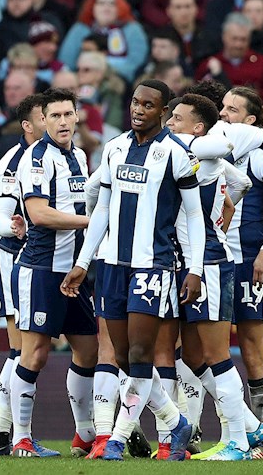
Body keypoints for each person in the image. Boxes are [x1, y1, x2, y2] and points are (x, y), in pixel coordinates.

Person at [60, 80, 199, 461]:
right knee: (122, 357)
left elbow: (193, 216)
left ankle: (117, 439)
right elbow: (101, 209)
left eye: (148, 104)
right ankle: (176, 422)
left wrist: (195, 269)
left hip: (153, 266)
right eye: (135, 102)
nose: (138, 109)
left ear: (164, 112)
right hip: (112, 265)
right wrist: (82, 262)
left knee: (141, 351)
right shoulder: (115, 148)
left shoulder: (176, 153)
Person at [166, 93, 263, 460]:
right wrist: (224, 211)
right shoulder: (195, 156)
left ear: (197, 126)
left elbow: (224, 145)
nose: (169, 123)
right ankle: (250, 424)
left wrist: (215, 228)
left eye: (176, 118)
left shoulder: (202, 151)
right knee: (193, 356)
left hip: (208, 262)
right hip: (193, 260)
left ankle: (238, 442)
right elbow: (239, 183)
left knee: (216, 354)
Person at [3, 88, 96, 457]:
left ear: (77, 117)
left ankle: (84, 434)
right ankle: (21, 438)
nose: (61, 121)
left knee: (88, 350)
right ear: (43, 120)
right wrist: (93, 221)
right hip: (40, 269)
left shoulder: (81, 157)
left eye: (66, 115)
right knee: (35, 353)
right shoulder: (35, 158)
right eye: (53, 115)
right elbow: (39, 213)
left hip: (74, 272)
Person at [0, 93, 45, 456]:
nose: (54, 121)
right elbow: (0, 222)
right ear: (27, 126)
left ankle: (3, 436)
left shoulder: (65, 155)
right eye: (45, 116)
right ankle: (3, 436)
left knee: (31, 348)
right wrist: (16, 227)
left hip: (47, 260)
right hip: (14, 259)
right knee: (20, 348)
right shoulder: (13, 162)